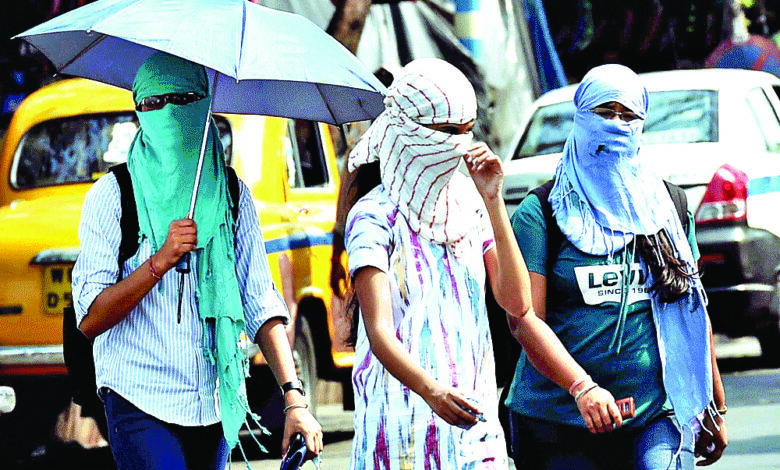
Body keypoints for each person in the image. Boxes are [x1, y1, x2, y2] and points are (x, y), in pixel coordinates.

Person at [342, 58, 611, 469]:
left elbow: (517, 304)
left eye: (467, 132)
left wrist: (493, 200)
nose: (459, 145)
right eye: (447, 133)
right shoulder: (374, 216)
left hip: (474, 426)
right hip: (402, 429)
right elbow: (379, 333)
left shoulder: (469, 205)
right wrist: (432, 392)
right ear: (409, 130)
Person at [71, 51, 322, 470]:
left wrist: (294, 397)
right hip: (138, 396)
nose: (168, 113)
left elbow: (259, 299)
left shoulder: (231, 195)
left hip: (215, 398)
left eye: (184, 100)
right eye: (153, 103)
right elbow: (90, 318)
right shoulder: (112, 196)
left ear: (204, 107)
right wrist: (160, 260)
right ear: (138, 110)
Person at [505, 64, 728, 469]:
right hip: (557, 419)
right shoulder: (542, 214)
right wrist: (581, 388)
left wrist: (711, 403)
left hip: (654, 414)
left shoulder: (668, 209)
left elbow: (693, 309)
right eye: (605, 112)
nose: (617, 125)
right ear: (581, 117)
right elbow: (523, 320)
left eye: (628, 116)